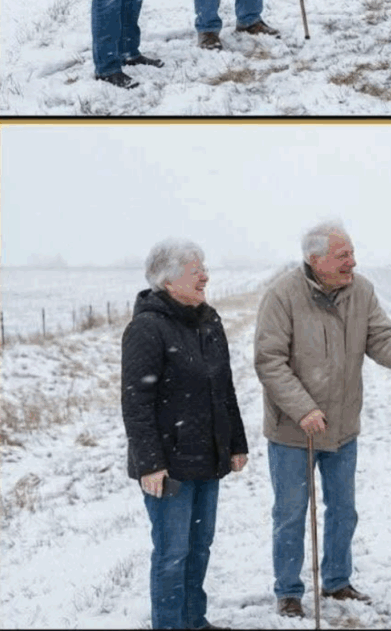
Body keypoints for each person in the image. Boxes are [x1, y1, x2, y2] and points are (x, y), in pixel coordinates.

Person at [254, 221, 391, 619]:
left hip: (343, 427)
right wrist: (304, 408)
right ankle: (289, 591)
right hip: (293, 430)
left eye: (351, 253)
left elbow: (380, 336)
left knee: (344, 509)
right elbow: (269, 361)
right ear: (315, 260)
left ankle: (337, 581)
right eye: (342, 256)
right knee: (292, 513)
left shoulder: (361, 291)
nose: (353, 262)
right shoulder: (282, 295)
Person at [121, 238, 248, 630]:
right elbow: (136, 402)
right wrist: (150, 464)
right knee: (172, 553)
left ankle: (195, 621)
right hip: (169, 467)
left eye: (203, 268)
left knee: (199, 549)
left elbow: (224, 387)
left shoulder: (209, 320)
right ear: (169, 280)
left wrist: (236, 444)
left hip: (208, 458)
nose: (205, 276)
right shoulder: (146, 328)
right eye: (197, 271)